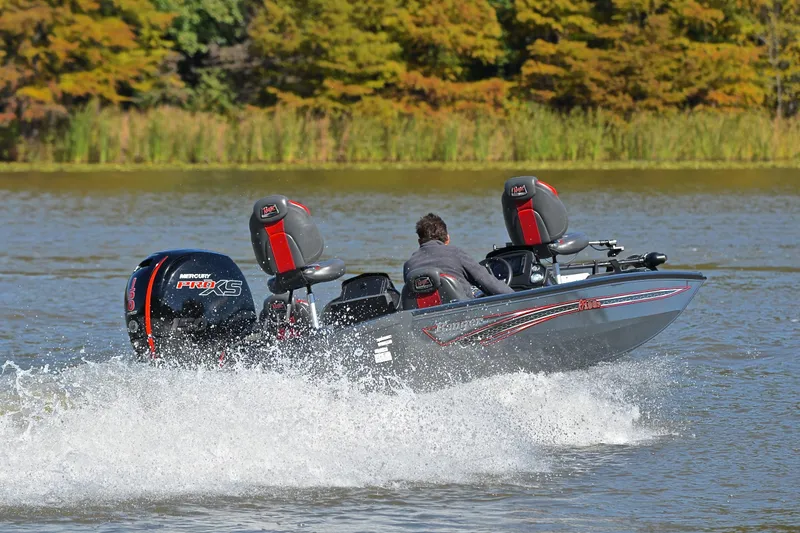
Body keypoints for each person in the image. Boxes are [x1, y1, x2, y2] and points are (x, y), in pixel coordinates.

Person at [403, 213, 514, 297]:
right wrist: (518, 297)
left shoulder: (409, 265)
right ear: (447, 239)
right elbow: (490, 284)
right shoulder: (456, 253)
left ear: (419, 242)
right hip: (463, 317)